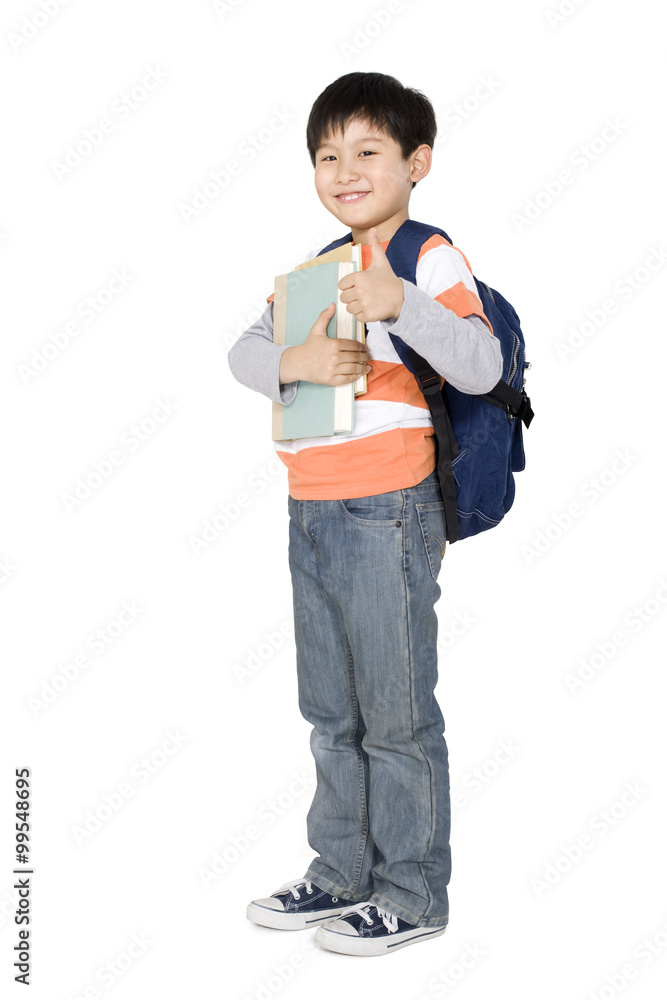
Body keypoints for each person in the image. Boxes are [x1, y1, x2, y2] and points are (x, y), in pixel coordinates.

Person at [227, 71, 502, 957]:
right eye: (326, 154)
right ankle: (341, 873)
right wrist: (297, 358)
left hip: (387, 509)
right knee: (331, 712)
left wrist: (403, 306)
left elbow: (481, 366)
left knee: (394, 715)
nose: (343, 169)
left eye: (367, 151)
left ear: (416, 162)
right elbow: (243, 353)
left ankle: (412, 895)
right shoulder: (311, 271)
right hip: (309, 509)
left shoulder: (427, 256)